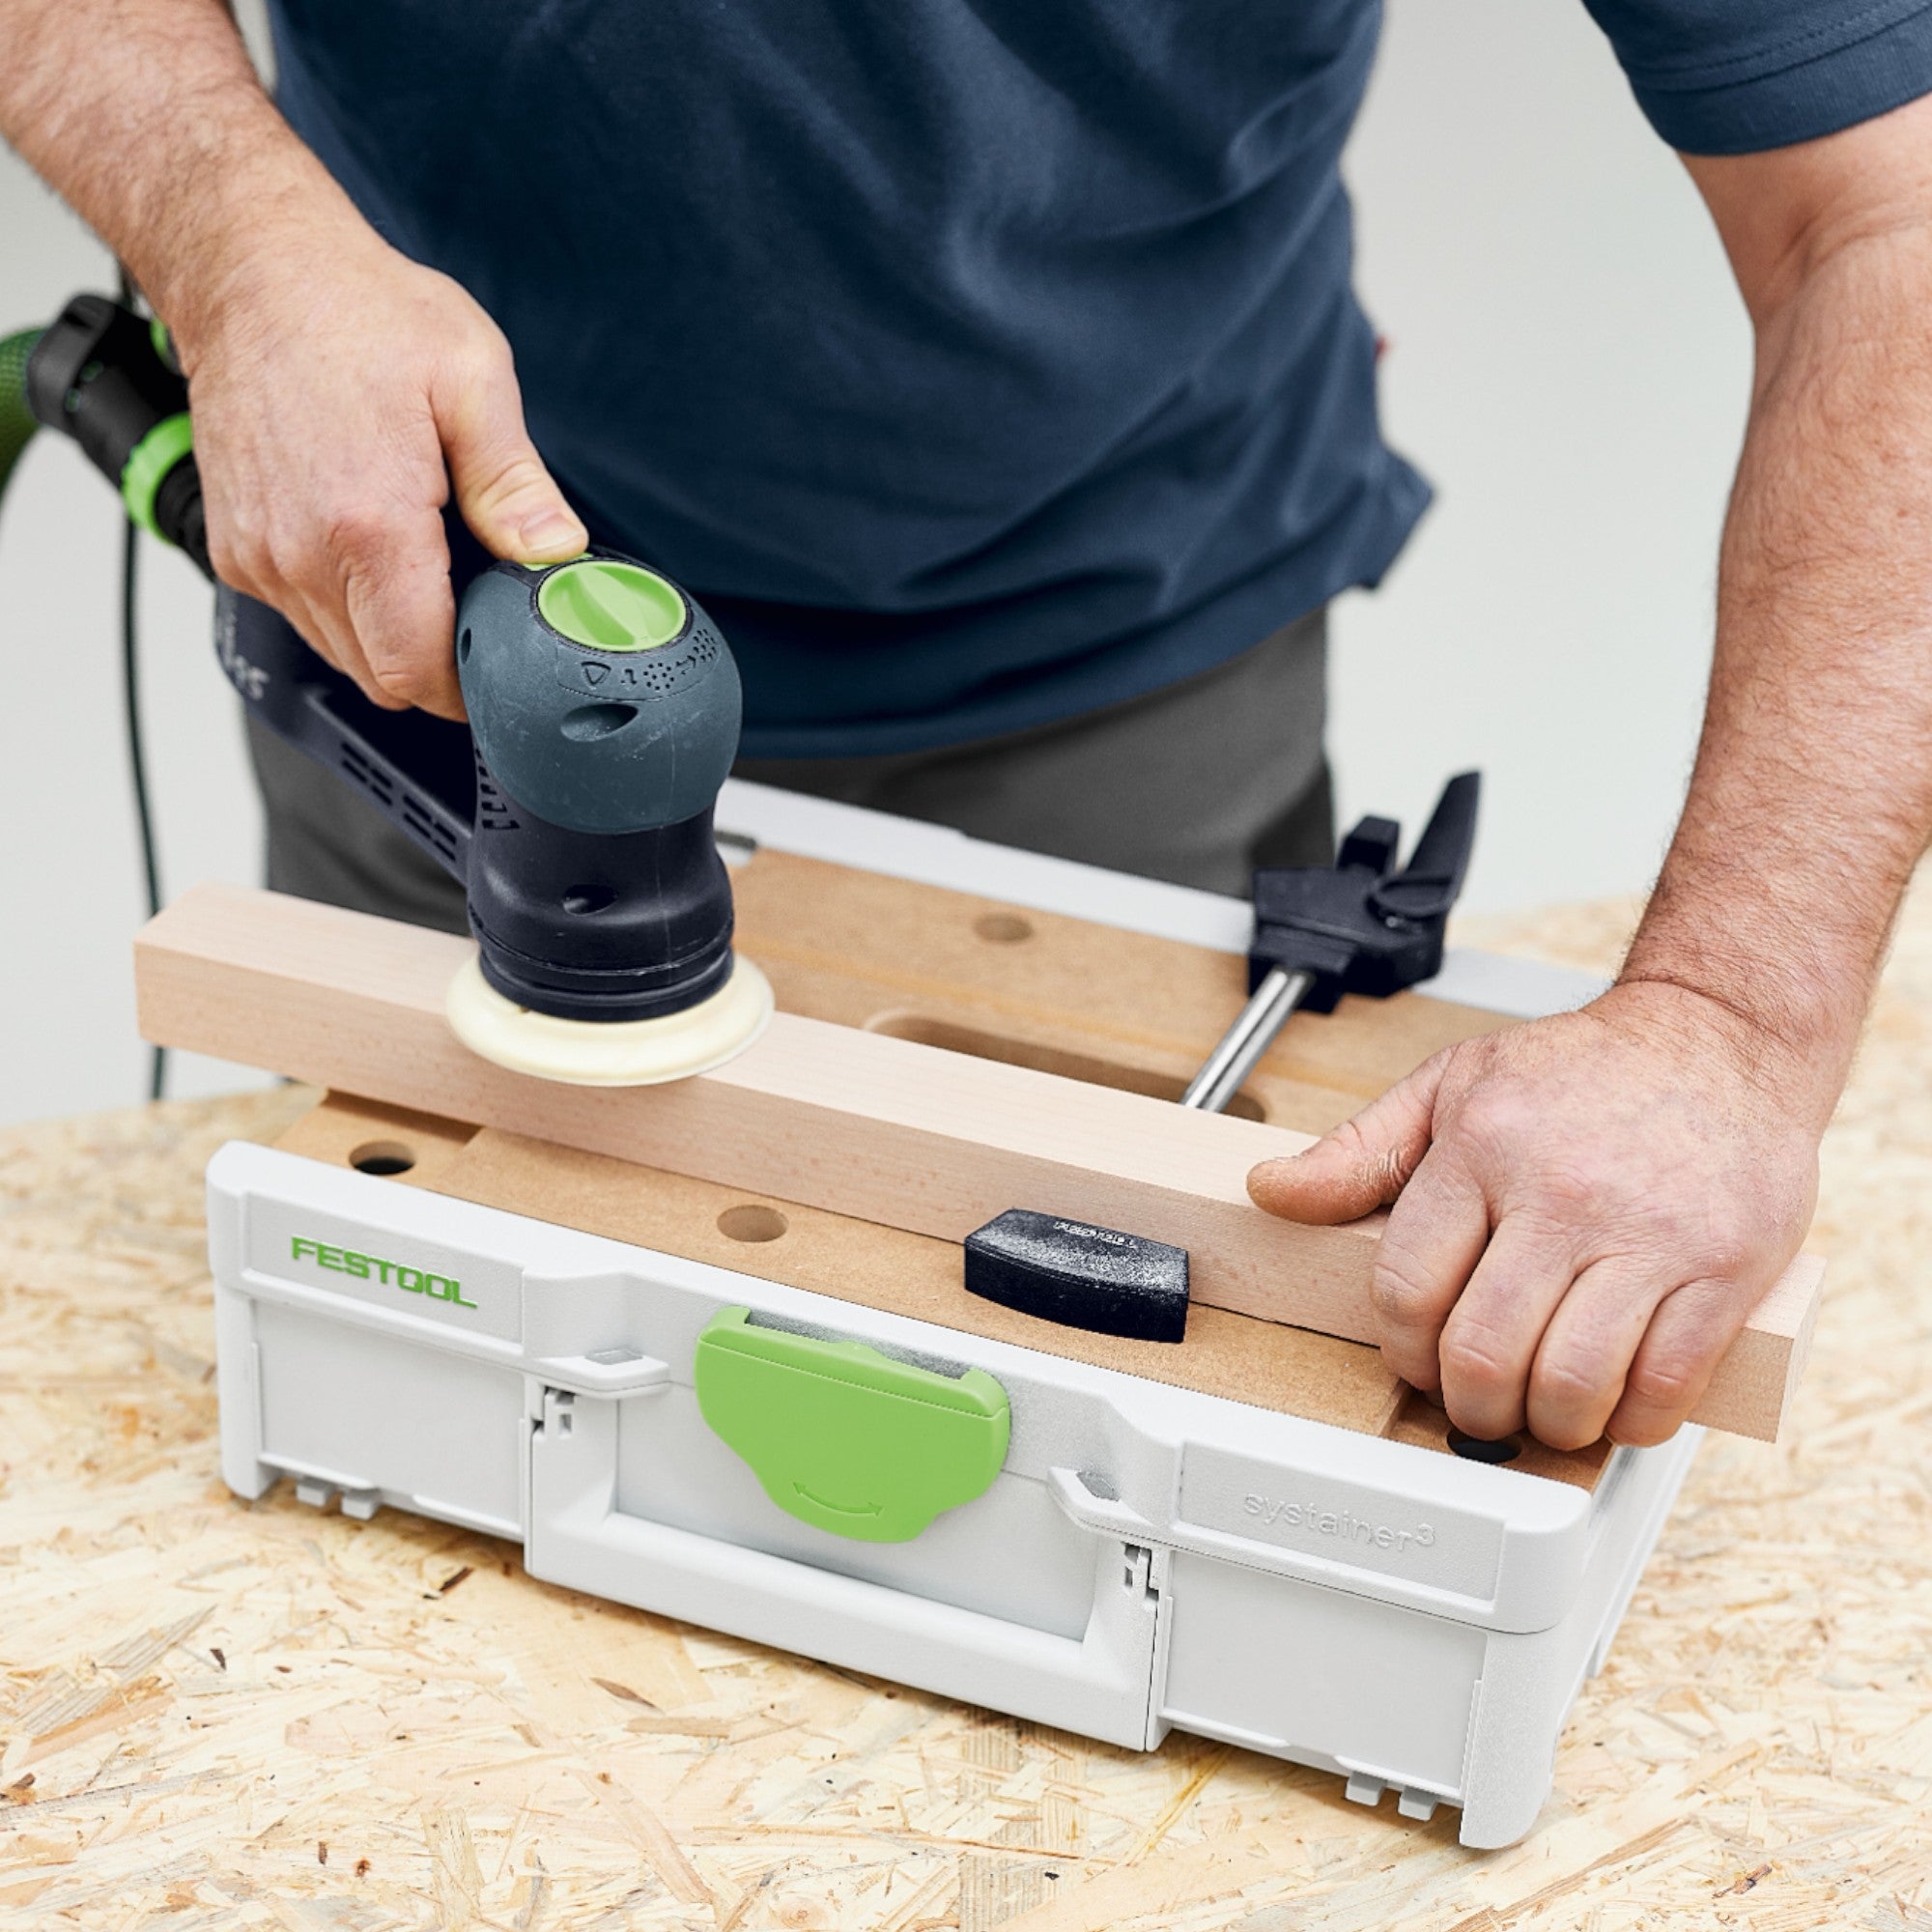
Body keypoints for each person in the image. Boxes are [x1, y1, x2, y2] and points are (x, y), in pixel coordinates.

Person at [4, 3, 1926, 1456]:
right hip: (430, 633)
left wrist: (1727, 1023)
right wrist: (232, 237)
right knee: (418, 1403)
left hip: (1134, 635)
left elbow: (1887, 217)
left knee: (1142, 1393)